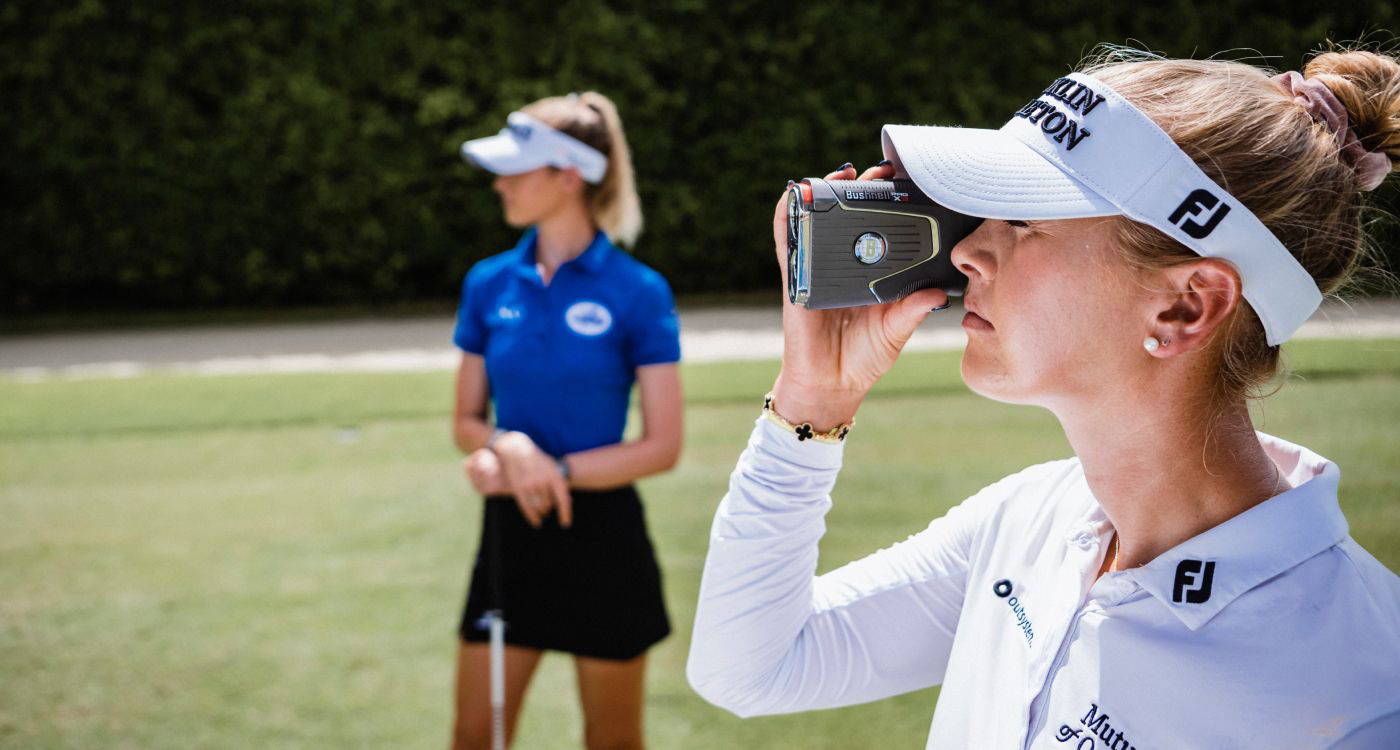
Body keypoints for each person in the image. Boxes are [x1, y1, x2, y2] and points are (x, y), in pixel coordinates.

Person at [686, 47, 1400, 748]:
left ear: (1185, 307)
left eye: (1022, 222)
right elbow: (750, 669)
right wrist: (813, 402)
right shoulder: (1035, 519)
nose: (968, 253)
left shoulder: (1361, 698)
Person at [449, 91, 682, 750]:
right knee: (475, 737)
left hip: (605, 542)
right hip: (508, 537)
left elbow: (662, 446)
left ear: (569, 175)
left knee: (612, 741)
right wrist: (508, 445)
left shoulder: (639, 291)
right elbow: (466, 420)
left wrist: (551, 468)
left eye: (516, 170)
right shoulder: (488, 283)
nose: (500, 184)